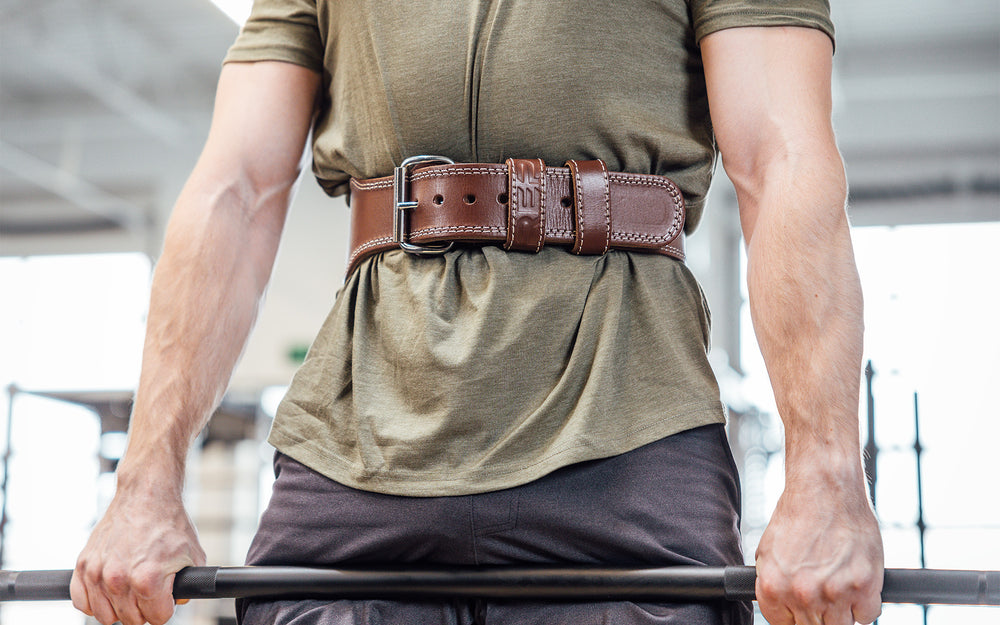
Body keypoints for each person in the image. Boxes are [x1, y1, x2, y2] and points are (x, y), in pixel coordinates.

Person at [70, 1, 884, 624]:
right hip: (356, 444)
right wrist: (143, 483)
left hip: (624, 437)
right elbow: (235, 187)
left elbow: (783, 160)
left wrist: (828, 477)